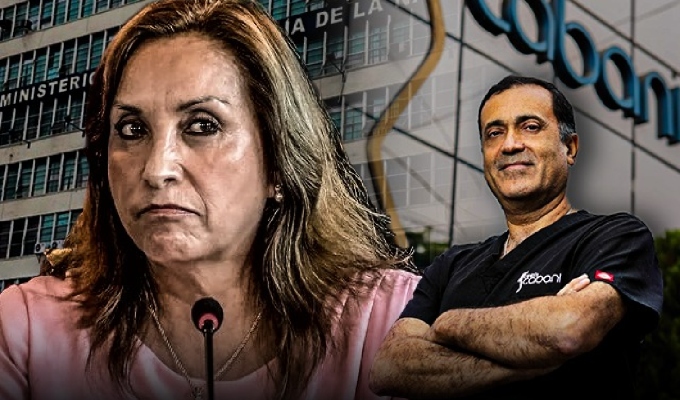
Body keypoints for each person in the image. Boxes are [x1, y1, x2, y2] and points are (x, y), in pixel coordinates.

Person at [0, 0, 420, 399]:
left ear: (278, 164)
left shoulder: (391, 320)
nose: (156, 169)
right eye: (132, 130)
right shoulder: (27, 331)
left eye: (202, 126)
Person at [369, 75, 664, 399]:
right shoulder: (451, 265)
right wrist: (538, 354)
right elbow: (388, 368)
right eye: (494, 133)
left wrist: (448, 326)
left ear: (569, 148)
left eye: (530, 127)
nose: (510, 145)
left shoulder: (615, 238)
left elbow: (568, 329)